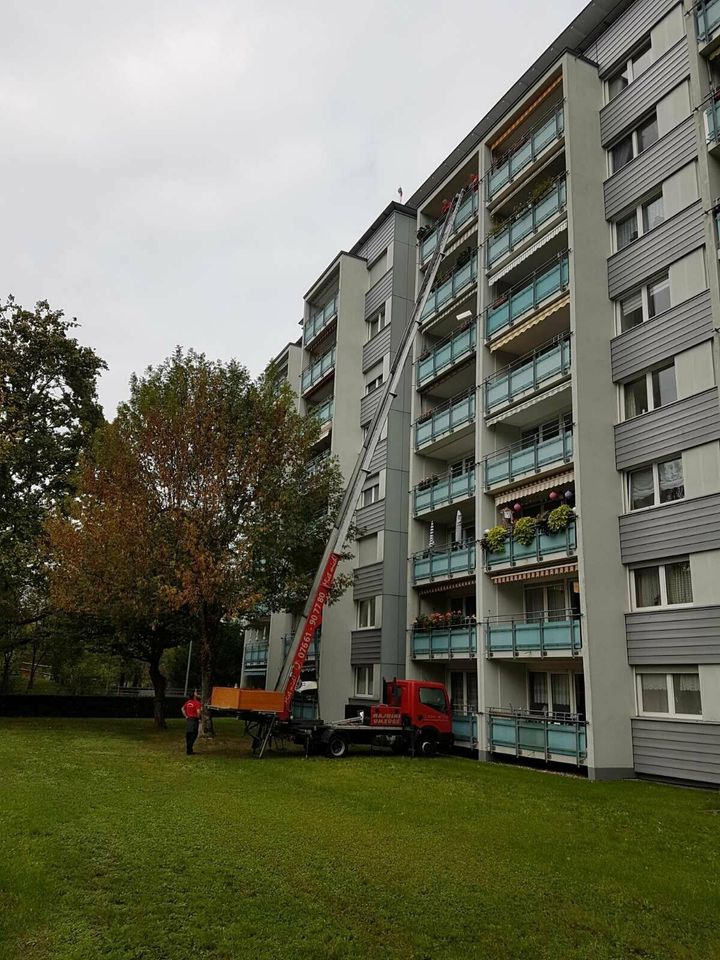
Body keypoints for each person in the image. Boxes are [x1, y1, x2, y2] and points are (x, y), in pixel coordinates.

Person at [182, 689, 202, 755]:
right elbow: (198, 712)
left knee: (188, 734)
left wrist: (186, 716)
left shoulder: (188, 702)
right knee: (194, 735)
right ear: (194, 696)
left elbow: (182, 709)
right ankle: (189, 750)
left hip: (189, 720)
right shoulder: (197, 703)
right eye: (196, 693)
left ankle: (189, 750)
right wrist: (198, 717)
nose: (197, 694)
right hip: (194, 720)